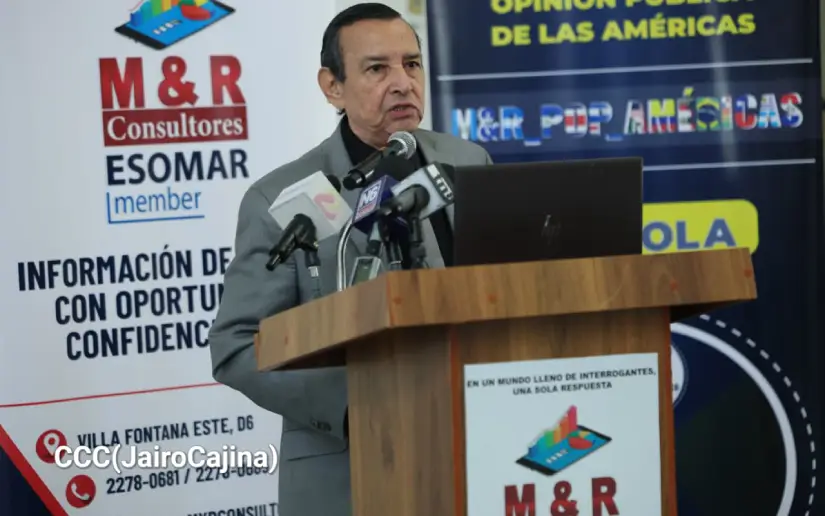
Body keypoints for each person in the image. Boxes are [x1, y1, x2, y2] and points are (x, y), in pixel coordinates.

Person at [207, 3, 492, 515]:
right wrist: (355, 405)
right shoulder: (282, 199)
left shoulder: (467, 162)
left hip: (476, 450)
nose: (403, 83)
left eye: (411, 63)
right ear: (332, 87)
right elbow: (236, 345)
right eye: (377, 68)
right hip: (348, 469)